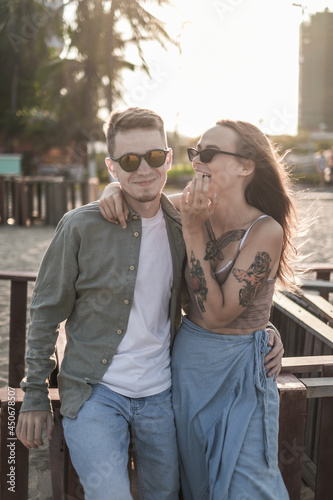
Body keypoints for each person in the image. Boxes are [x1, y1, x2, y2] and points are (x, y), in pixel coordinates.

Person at [99, 118, 289, 498]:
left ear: (245, 166)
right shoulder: (179, 209)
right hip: (189, 367)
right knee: (197, 482)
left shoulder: (265, 230)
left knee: (253, 484)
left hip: (242, 372)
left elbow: (219, 314)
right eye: (195, 152)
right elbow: (136, 193)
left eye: (210, 153)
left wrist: (192, 230)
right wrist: (111, 189)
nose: (197, 161)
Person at [16, 107, 185, 500]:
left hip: (162, 393)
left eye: (154, 157)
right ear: (112, 167)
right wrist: (35, 393)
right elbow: (45, 313)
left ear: (169, 158)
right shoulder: (79, 226)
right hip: (94, 392)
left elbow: (226, 281)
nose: (144, 169)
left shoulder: (185, 223)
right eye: (129, 160)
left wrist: (264, 329)